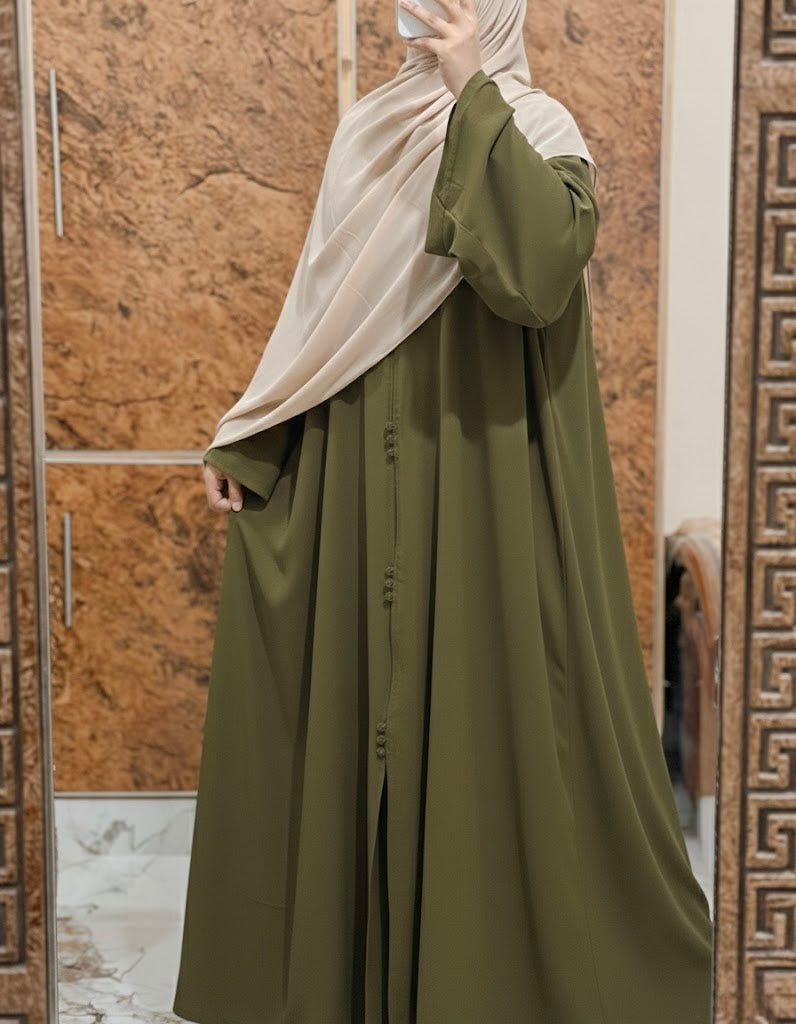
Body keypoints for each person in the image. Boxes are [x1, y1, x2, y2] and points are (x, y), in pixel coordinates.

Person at [172, 0, 714, 1018]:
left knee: (481, 707)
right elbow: (322, 311)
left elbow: (537, 276)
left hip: (485, 471)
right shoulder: (367, 133)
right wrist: (254, 433)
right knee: (359, 708)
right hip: (357, 464)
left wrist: (473, 90)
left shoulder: (539, 127)